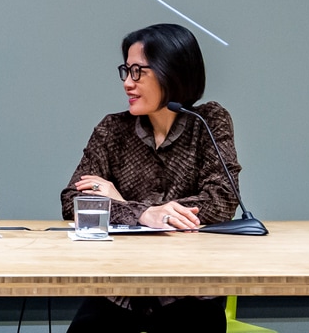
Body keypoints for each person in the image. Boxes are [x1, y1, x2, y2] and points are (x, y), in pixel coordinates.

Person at [60, 24, 240, 333]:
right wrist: (144, 214)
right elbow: (73, 202)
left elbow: (221, 199)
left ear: (171, 72)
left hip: (189, 292)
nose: (127, 83)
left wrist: (123, 204)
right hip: (120, 290)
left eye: (138, 72)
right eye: (126, 71)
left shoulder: (208, 121)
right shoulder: (112, 130)